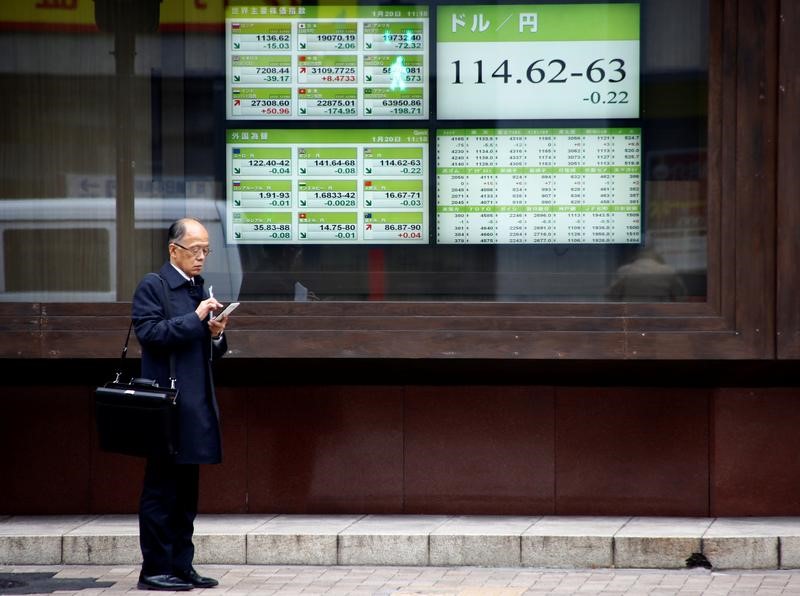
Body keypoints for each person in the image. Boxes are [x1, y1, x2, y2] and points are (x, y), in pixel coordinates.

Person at [132, 218, 229, 591]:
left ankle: (181, 565)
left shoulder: (196, 287)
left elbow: (199, 347)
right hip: (165, 406)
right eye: (195, 250)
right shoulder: (153, 286)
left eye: (206, 250)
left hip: (194, 404)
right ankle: (154, 569)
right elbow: (151, 333)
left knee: (186, 493)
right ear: (174, 250)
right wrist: (196, 318)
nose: (202, 257)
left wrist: (216, 335)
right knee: (160, 491)